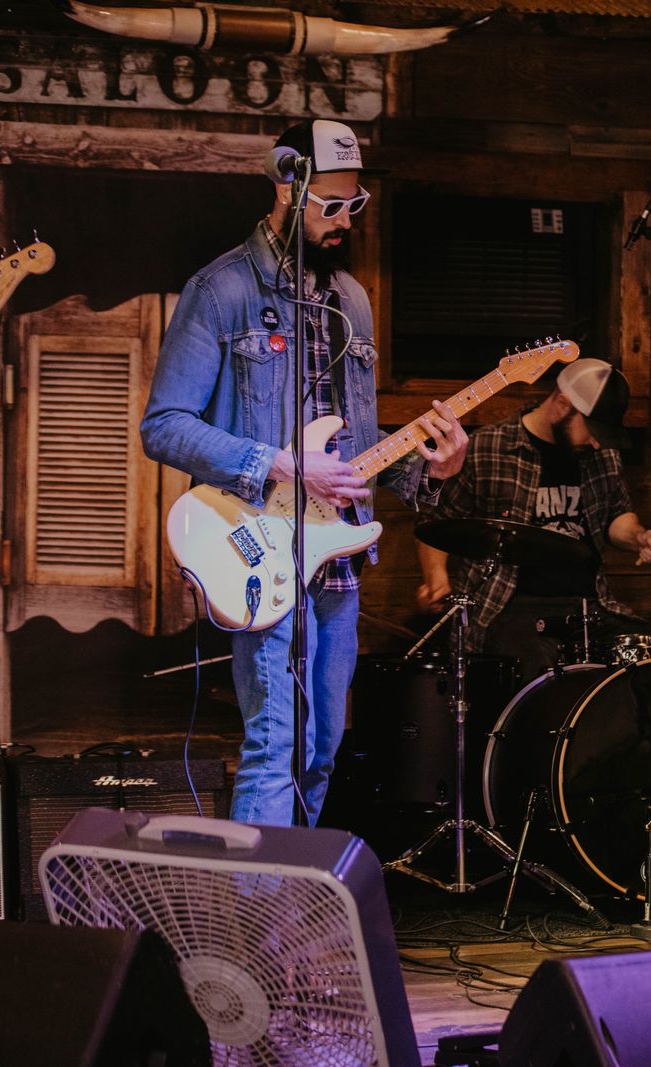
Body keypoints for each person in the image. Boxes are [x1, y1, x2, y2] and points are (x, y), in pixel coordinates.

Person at [141, 120, 468, 827]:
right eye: (332, 204)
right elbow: (163, 425)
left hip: (335, 554)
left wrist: (431, 468)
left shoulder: (352, 300)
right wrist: (280, 463)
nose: (346, 220)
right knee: (275, 746)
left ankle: (289, 888)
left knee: (321, 750)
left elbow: (358, 444)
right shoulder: (221, 290)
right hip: (262, 546)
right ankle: (258, 898)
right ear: (289, 189)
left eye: (357, 205)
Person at [416, 358, 651, 679]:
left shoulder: (602, 455)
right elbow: (439, 521)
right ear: (563, 404)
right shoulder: (489, 447)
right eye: (592, 430)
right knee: (537, 673)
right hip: (510, 604)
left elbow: (617, 517)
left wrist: (639, 537)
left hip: (589, 603)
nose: (596, 442)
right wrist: (436, 578)